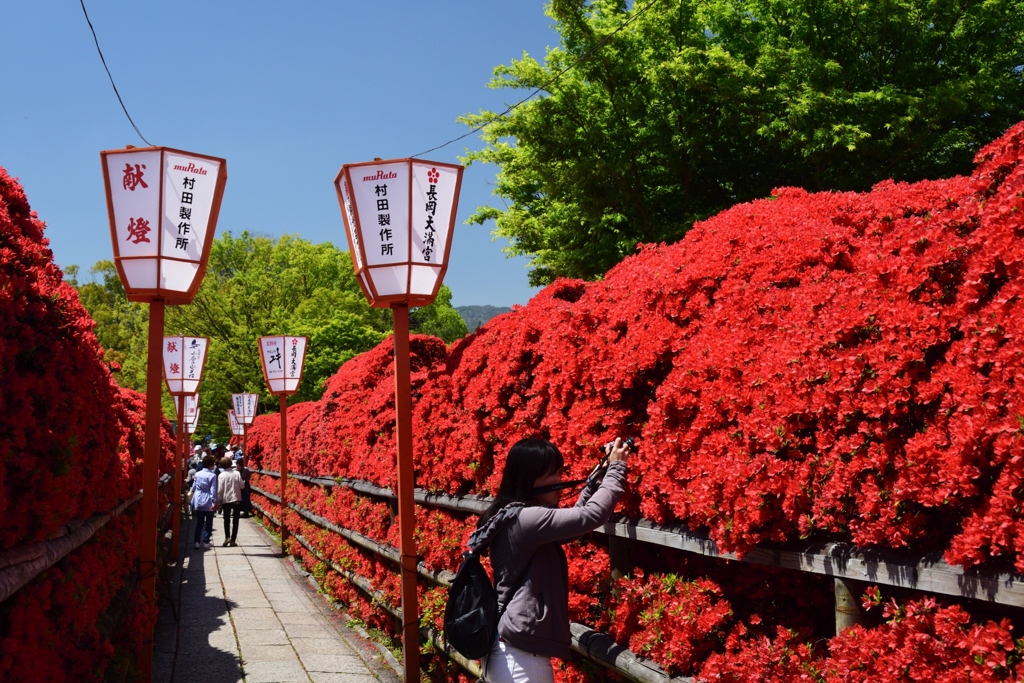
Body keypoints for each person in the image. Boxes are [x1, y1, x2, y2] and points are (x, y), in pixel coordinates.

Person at [474, 437, 630, 683]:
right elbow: (590, 516)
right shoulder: (526, 519)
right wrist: (617, 468)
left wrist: (597, 479)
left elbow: (575, 523)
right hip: (521, 660)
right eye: (554, 474)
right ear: (533, 478)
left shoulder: (512, 514)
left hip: (512, 651)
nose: (560, 480)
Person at [191, 455, 218, 550]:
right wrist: (214, 502)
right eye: (213, 464)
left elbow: (194, 487)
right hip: (208, 500)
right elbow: (213, 490)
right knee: (209, 522)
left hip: (198, 499)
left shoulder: (197, 474)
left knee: (199, 522)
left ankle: (196, 542)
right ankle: (206, 541)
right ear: (210, 465)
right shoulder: (212, 475)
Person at [217, 456, 244, 547]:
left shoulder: (221, 475)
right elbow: (242, 486)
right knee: (236, 520)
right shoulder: (237, 473)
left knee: (226, 519)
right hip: (236, 498)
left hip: (226, 499)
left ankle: (227, 537)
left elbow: (220, 490)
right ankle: (233, 539)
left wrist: (218, 501)